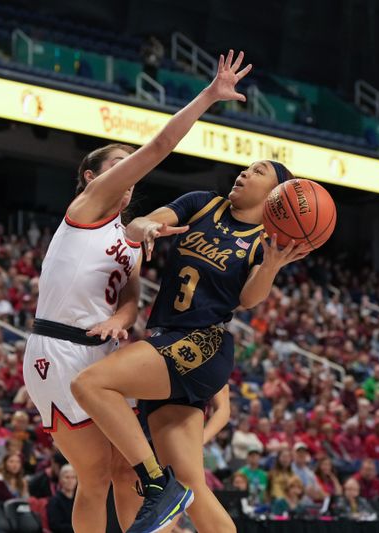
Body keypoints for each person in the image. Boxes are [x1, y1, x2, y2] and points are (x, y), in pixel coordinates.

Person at [71, 58, 310, 531]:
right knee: (192, 483)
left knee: (92, 384)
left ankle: (159, 486)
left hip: (200, 344)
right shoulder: (203, 203)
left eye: (257, 171)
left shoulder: (266, 241)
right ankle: (170, 488)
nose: (244, 173)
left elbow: (248, 301)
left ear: (276, 193)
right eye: (245, 168)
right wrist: (147, 226)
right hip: (166, 340)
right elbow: (139, 222)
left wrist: (274, 268)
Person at [23, 49, 253, 533]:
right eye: (118, 165)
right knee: (94, 475)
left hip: (102, 353)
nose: (130, 173)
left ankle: (154, 496)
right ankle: (161, 485)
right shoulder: (87, 208)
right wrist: (209, 96)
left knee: (124, 472)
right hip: (59, 347)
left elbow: (129, 301)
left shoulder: (128, 238)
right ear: (93, 176)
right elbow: (159, 147)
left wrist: (120, 321)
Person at [47, 464, 77, 533]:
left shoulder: (78, 501)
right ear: (60, 479)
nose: (70, 480)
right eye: (67, 477)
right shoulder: (55, 501)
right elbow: (55, 526)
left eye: (73, 477)